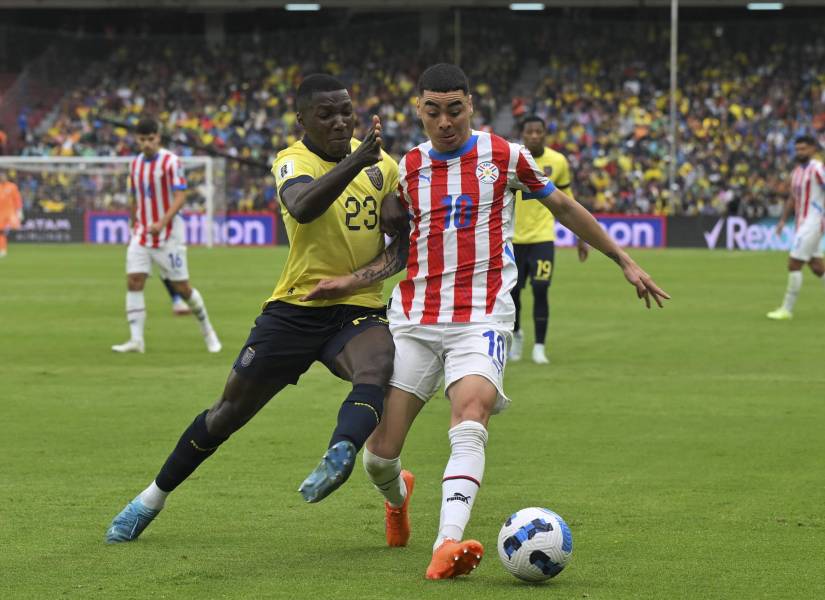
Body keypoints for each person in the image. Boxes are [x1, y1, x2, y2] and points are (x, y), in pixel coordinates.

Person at [303, 63, 669, 580]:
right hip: (414, 321)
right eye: (433, 111)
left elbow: (563, 205)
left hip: (482, 316)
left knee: (470, 415)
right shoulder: (406, 169)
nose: (445, 121)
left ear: (471, 106)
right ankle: (398, 496)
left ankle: (446, 544)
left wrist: (624, 259)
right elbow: (399, 250)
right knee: (380, 455)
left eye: (455, 109)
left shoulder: (505, 156)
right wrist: (352, 279)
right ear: (420, 111)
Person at [105, 74, 409, 543]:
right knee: (227, 413)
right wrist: (355, 161)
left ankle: (340, 453)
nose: (340, 121)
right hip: (295, 306)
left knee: (377, 367)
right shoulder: (292, 160)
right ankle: (149, 499)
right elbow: (304, 206)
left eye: (346, 111)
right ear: (302, 118)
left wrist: (355, 277)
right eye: (326, 113)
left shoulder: (384, 166)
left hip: (354, 306)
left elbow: (399, 253)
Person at [110, 117, 221, 354]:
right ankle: (136, 340)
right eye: (142, 140)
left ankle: (208, 331)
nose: (147, 144)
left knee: (183, 288)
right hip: (142, 234)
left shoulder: (171, 162)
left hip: (169, 236)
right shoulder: (135, 164)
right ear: (137, 140)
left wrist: (162, 222)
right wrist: (133, 224)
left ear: (158, 138)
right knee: (133, 281)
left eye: (151, 139)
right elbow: (135, 198)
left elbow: (181, 196)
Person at [509, 115, 589, 364]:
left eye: (538, 132)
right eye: (529, 132)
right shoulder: (511, 159)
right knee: (513, 294)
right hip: (513, 239)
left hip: (543, 237)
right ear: (522, 134)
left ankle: (539, 347)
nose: (534, 136)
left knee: (541, 289)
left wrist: (581, 235)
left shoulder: (558, 161)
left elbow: (567, 200)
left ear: (545, 134)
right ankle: (517, 334)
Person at [767, 135, 825, 320]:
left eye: (804, 149)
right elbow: (793, 198)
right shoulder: (797, 172)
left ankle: (787, 309)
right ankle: (786, 309)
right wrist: (783, 220)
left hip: (814, 221)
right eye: (798, 149)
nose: (800, 152)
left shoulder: (818, 169)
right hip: (802, 222)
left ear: (813, 149)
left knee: (794, 263)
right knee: (816, 266)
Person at [0, 171, 23, 258]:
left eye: (3, 176)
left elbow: (17, 199)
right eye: (1, 177)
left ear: (6, 177)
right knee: (1, 232)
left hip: (10, 213)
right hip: (0, 214)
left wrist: (19, 211)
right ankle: (2, 249)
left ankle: (3, 249)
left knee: (5, 232)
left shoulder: (12, 186)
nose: (2, 178)